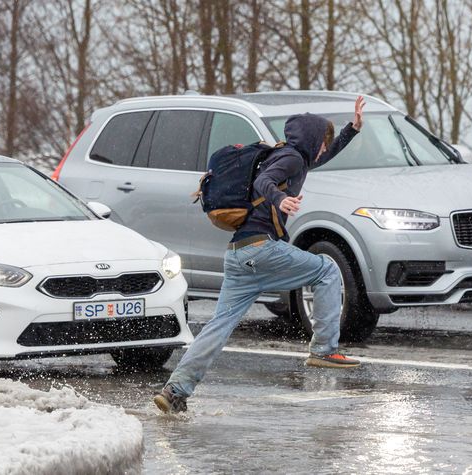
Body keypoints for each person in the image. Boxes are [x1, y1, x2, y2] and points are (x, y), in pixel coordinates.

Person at [154, 96, 367, 414]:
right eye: (322, 142)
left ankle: (175, 391)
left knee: (219, 325)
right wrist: (280, 199)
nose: (324, 149)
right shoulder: (292, 159)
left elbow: (320, 158)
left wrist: (351, 130)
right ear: (310, 140)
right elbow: (263, 181)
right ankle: (323, 349)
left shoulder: (293, 157)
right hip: (260, 249)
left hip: (238, 254)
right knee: (327, 269)